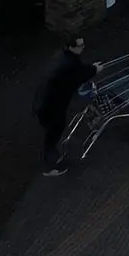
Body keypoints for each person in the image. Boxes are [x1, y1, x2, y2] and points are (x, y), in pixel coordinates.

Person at [34, 37, 97, 176]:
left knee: (55, 129)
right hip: (50, 106)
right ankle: (50, 167)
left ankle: (51, 156)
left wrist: (91, 69)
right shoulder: (68, 63)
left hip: (45, 102)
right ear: (71, 47)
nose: (83, 47)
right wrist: (94, 70)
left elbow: (75, 71)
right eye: (80, 45)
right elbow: (76, 74)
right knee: (53, 132)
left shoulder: (64, 57)